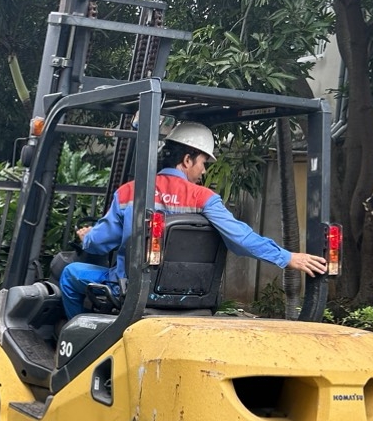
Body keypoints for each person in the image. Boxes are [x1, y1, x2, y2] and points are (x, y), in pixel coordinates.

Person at [59, 122, 328, 318]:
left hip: (131, 291)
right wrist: (287, 257)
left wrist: (87, 236)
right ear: (187, 160)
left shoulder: (130, 191)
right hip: (192, 295)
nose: (203, 170)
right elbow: (240, 238)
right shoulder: (205, 199)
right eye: (202, 163)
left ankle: (78, 348)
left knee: (70, 274)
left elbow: (98, 245)